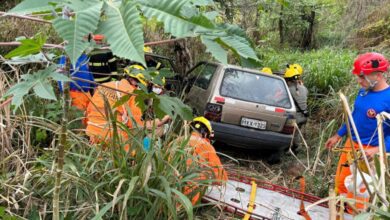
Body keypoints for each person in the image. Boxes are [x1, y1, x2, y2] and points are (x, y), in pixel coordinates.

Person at [325, 52, 390, 202]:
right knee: (342, 183)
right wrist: (338, 135)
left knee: (359, 189)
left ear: (378, 75)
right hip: (351, 146)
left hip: (370, 152)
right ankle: (339, 212)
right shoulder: (363, 92)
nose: (359, 81)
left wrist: (376, 150)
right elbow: (354, 116)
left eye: (362, 76)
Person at [176, 117, 228, 205]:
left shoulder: (176, 141)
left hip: (169, 193)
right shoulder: (206, 146)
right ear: (205, 133)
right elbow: (221, 178)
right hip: (189, 199)